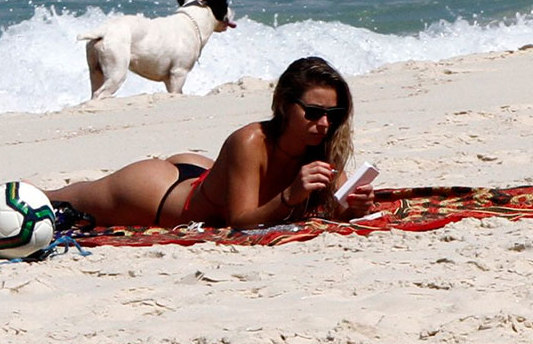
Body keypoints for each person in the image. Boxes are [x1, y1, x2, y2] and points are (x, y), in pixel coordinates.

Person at [46, 56, 374, 228]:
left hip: (205, 176)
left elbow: (333, 212)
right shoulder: (251, 141)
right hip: (159, 197)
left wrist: (352, 207)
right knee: (56, 200)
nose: (325, 123)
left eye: (334, 113)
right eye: (314, 112)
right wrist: (291, 195)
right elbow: (240, 221)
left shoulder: (327, 143)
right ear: (286, 106)